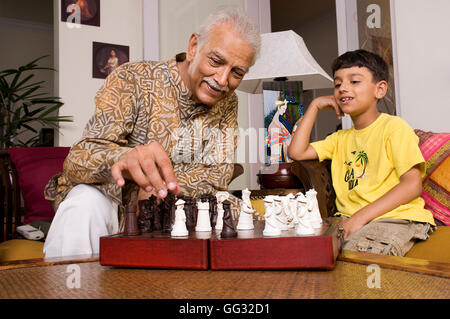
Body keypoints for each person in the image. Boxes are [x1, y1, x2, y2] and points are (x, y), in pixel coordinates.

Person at [43, 7, 261, 258]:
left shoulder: (228, 102)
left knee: (240, 221)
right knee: (84, 202)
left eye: (237, 73)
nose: (222, 80)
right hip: (115, 206)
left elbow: (217, 175)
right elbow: (78, 160)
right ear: (193, 47)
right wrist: (124, 160)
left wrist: (160, 187)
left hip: (176, 211)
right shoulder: (132, 78)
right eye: (216, 61)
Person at [288, 49, 435, 256]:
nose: (343, 88)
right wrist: (314, 106)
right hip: (351, 220)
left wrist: (359, 218)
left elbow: (412, 185)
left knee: (355, 255)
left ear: (380, 89)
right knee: (309, 253)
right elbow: (297, 152)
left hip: (395, 217)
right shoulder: (339, 139)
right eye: (337, 84)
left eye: (354, 81)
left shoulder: (394, 127)